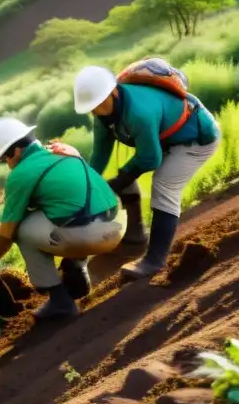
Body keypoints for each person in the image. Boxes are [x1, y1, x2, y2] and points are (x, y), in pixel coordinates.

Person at [73, 60, 221, 280]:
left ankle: (154, 261)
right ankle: (135, 237)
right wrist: (88, 185)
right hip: (167, 140)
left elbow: (150, 158)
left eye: (99, 103)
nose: (96, 110)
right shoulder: (102, 117)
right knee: (121, 175)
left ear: (113, 91)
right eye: (91, 107)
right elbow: (100, 154)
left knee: (164, 185)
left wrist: (118, 183)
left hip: (196, 138)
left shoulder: (139, 112)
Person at [0, 117, 124, 320]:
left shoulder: (21, 173)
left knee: (20, 227)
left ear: (16, 151)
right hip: (116, 226)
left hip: (87, 237)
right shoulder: (64, 152)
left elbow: (6, 233)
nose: (7, 165)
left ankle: (60, 302)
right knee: (65, 210)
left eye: (5, 159)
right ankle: (76, 268)